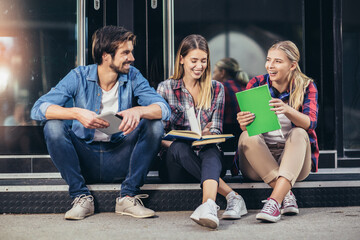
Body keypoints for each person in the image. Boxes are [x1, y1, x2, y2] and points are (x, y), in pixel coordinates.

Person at [31, 25, 171, 220]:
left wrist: (139, 110)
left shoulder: (133, 76)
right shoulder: (79, 76)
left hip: (119, 156)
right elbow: (38, 108)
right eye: (125, 53)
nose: (132, 58)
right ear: (106, 55)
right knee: (53, 125)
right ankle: (81, 196)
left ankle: (128, 196)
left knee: (154, 124)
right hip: (84, 157)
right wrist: (76, 113)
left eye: (131, 52)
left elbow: (164, 109)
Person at [157, 35, 247, 229]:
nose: (199, 66)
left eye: (204, 61)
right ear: (181, 59)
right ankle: (232, 196)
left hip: (208, 162)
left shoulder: (217, 89)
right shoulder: (166, 88)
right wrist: (183, 138)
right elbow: (159, 136)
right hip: (175, 166)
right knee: (180, 146)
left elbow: (215, 129)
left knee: (211, 148)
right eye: (194, 60)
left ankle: (208, 206)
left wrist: (208, 135)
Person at [236, 40, 319, 223]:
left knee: (300, 133)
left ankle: (274, 202)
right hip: (258, 163)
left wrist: (287, 109)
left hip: (294, 163)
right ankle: (285, 195)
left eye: (277, 61)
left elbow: (310, 123)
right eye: (268, 60)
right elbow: (247, 128)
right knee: (245, 136)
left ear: (292, 65)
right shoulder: (256, 83)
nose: (270, 66)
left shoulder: (306, 86)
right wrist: (243, 122)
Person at [213, 58, 249, 151]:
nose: (212, 76)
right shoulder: (245, 86)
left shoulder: (220, 88)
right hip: (243, 135)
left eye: (214, 72)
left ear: (222, 72)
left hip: (225, 136)